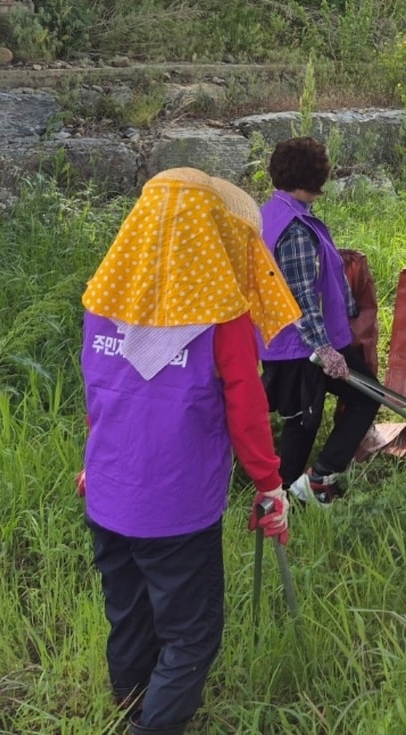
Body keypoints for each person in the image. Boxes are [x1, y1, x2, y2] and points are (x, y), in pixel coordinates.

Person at [79, 169, 297, 735]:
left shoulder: (105, 300)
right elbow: (246, 410)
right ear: (209, 234)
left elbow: (100, 393)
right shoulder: (221, 320)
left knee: (129, 619)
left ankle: (129, 713)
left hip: (107, 492)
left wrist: (92, 463)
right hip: (176, 507)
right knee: (191, 634)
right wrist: (271, 485)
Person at [258, 136, 381, 506]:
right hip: (302, 346)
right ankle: (309, 483)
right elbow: (300, 297)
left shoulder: (271, 213)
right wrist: (326, 349)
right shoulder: (294, 228)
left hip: (280, 340)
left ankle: (284, 497)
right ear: (317, 175)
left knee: (301, 419)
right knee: (357, 399)